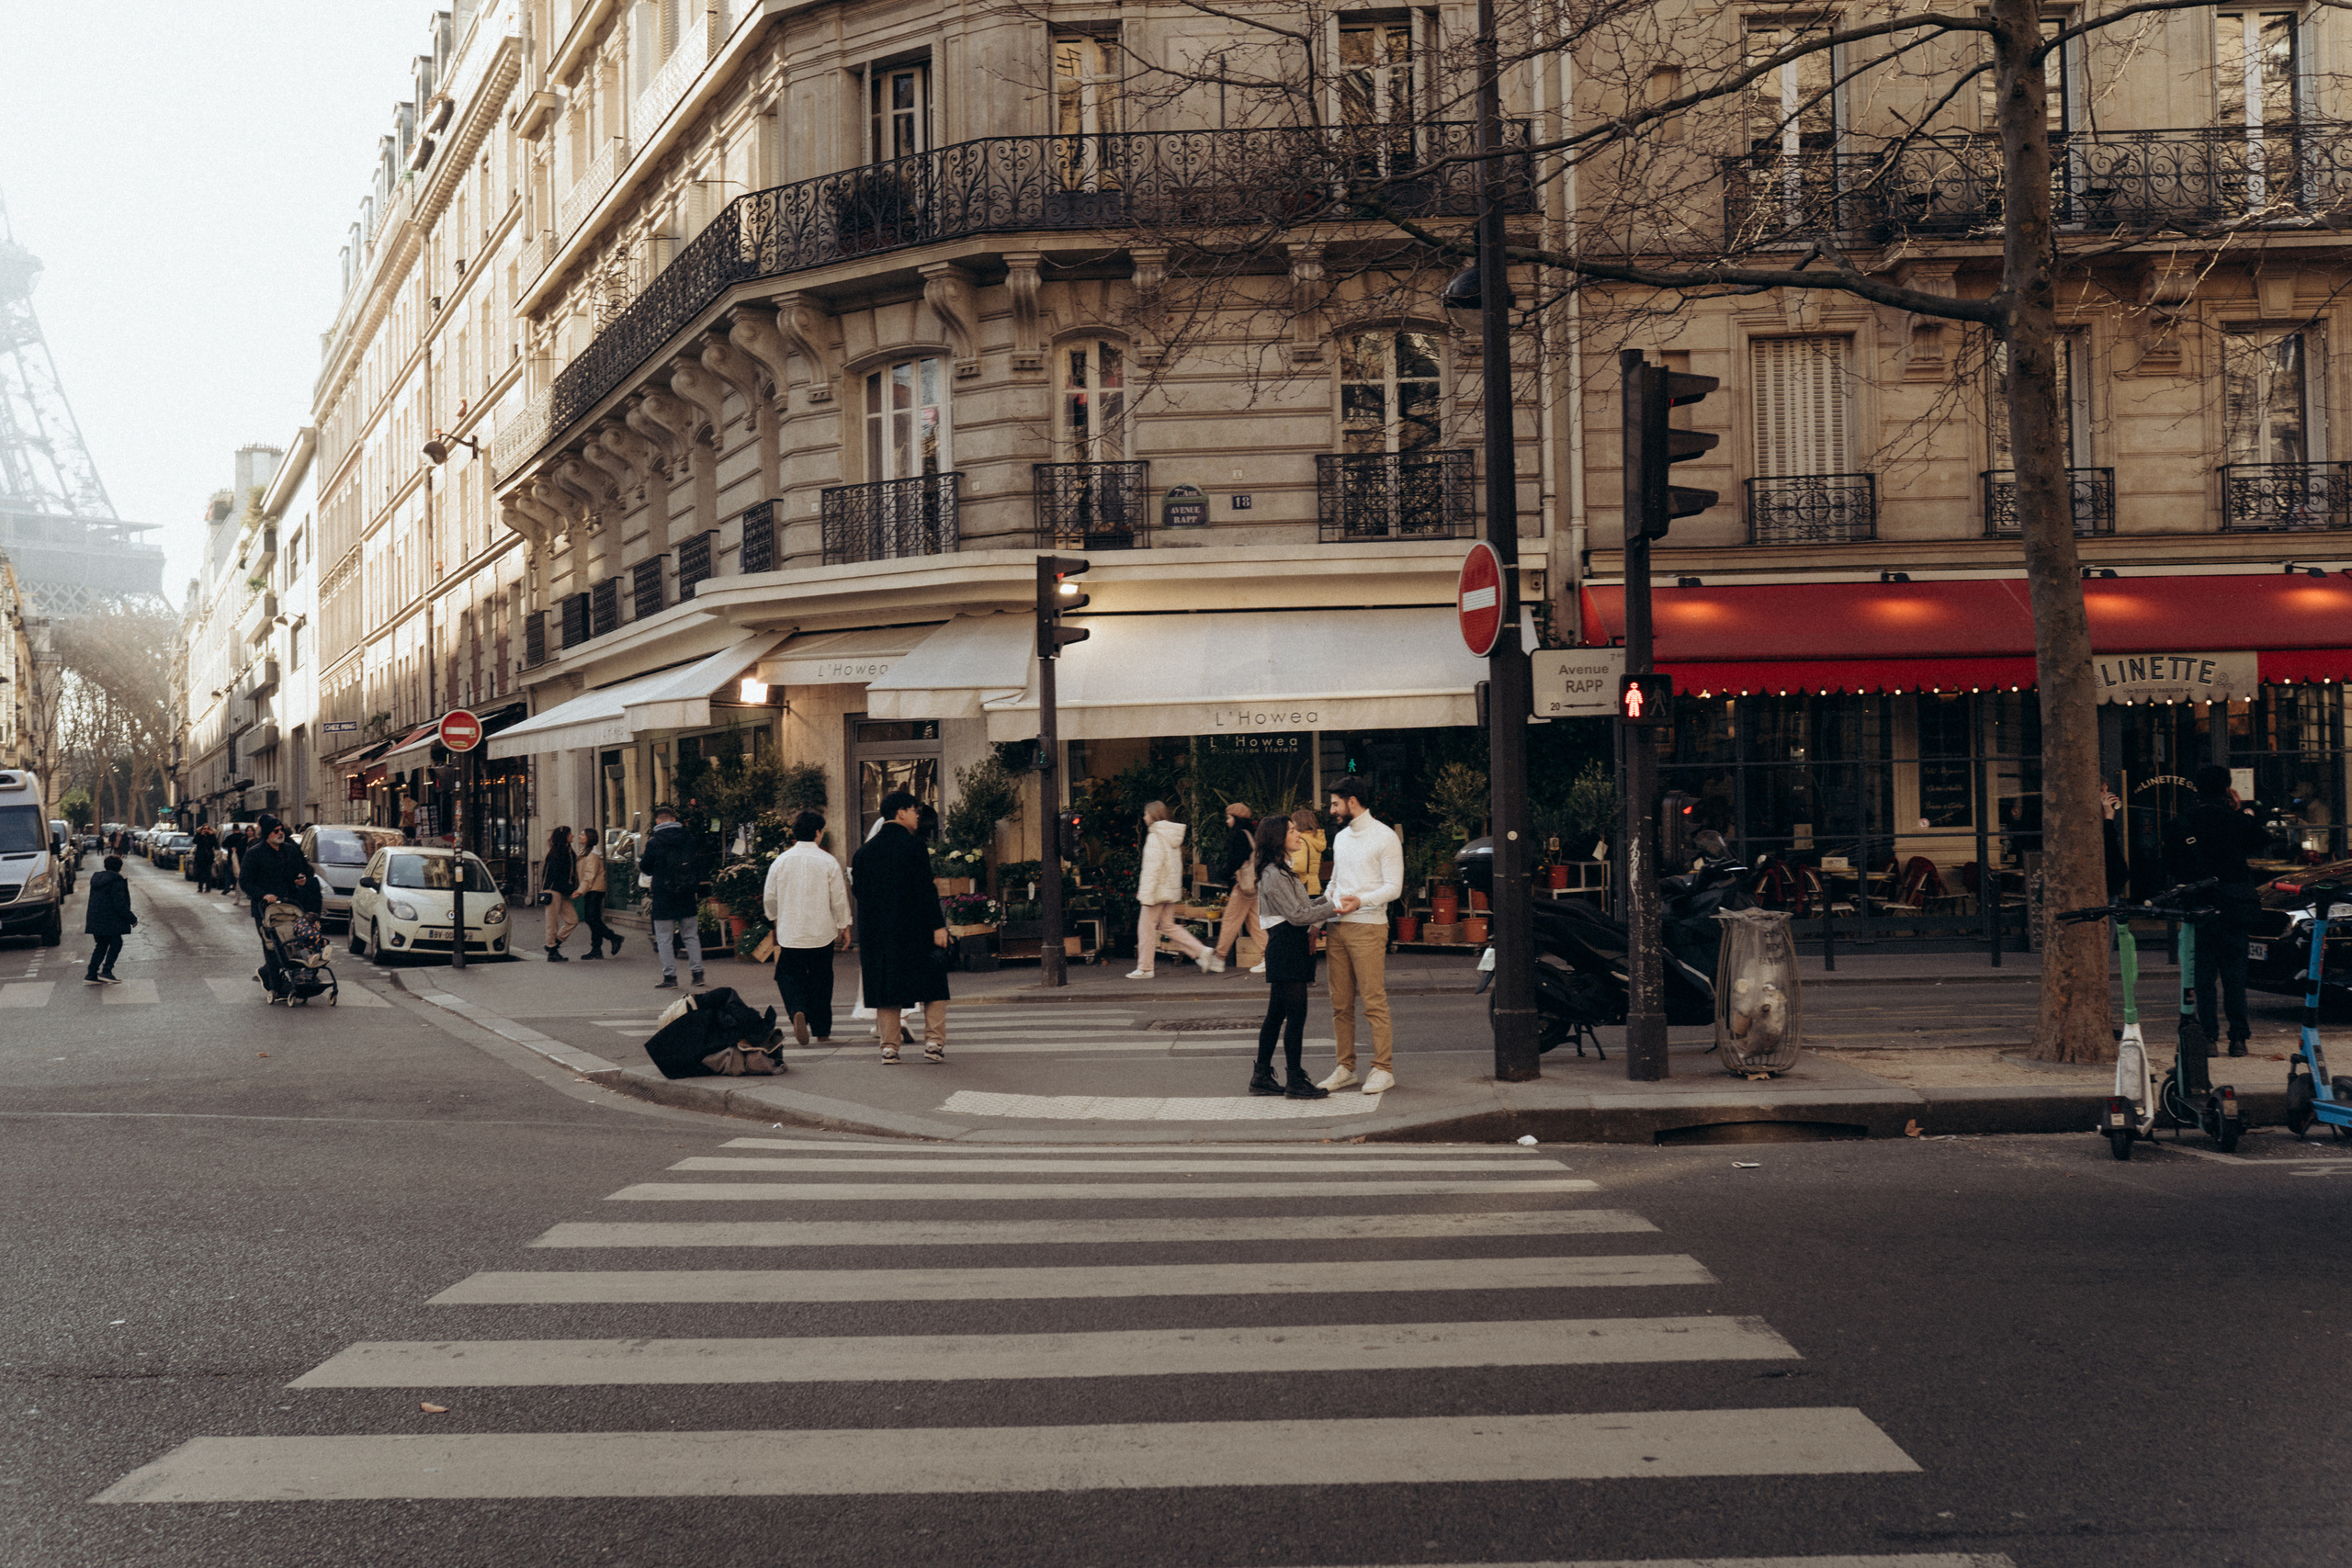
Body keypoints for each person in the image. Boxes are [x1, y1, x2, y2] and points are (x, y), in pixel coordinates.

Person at [2162, 763, 2272, 1058]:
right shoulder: (2235, 821)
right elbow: (2264, 839)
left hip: (2199, 907)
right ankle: (2238, 1038)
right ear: (2227, 789)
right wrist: (2243, 811)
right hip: (2235, 908)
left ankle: (2208, 1036)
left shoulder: (2181, 824)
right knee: (2235, 975)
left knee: (2203, 976)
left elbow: (2171, 866)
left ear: (2197, 789)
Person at [1248, 814, 1359, 1098]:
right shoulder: (1274, 874)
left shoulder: (1281, 870)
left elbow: (1300, 905)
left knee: (1277, 1014)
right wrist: (1333, 907)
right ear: (1278, 839)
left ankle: (1261, 1075)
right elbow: (1297, 915)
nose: (1299, 835)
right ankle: (1295, 1080)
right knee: (1296, 1015)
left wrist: (1326, 899)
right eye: (1293, 831)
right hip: (1286, 946)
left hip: (1288, 944)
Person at [850, 790, 951, 1063]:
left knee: (886, 988)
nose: (918, 814)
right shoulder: (915, 847)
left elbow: (859, 892)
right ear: (901, 812)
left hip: (879, 933)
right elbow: (925, 891)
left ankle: (889, 1047)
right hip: (915, 929)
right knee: (933, 984)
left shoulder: (863, 853)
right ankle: (933, 1042)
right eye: (914, 809)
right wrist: (938, 926)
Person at [1318, 777, 1403, 1094]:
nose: (1332, 810)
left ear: (1352, 801)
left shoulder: (1384, 837)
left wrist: (1360, 901)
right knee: (1339, 1004)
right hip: (1337, 926)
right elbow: (1335, 881)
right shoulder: (1341, 838)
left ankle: (1383, 1068)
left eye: (1335, 803)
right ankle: (1346, 1067)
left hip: (1368, 926)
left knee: (1373, 1000)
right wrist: (1322, 912)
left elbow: (1394, 888)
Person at [764, 810, 851, 1045]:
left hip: (791, 933)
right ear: (817, 833)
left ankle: (797, 1010)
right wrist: (844, 925)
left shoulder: (780, 861)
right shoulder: (828, 861)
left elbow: (770, 897)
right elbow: (839, 898)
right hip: (821, 933)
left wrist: (774, 916)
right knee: (821, 978)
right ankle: (822, 1029)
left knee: (787, 974)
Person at [1128, 800, 1220, 979]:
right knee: (1169, 926)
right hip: (1169, 891)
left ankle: (1146, 968)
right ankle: (1201, 950)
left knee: (1145, 928)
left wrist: (1146, 894)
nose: (1144, 817)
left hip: (1155, 892)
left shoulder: (1155, 836)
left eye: (1146, 814)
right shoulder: (1172, 836)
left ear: (1153, 816)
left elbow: (1152, 869)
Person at [239, 815, 319, 990]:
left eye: (282, 830)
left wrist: (301, 879)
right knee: (271, 945)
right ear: (267, 833)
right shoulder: (254, 853)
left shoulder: (290, 850)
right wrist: (263, 894)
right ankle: (274, 985)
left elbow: (302, 870)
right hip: (266, 908)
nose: (280, 833)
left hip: (290, 905)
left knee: (292, 943)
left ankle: (295, 979)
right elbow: (245, 881)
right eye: (276, 831)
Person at [639, 803, 704, 989]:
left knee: (665, 938)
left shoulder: (654, 842)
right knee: (691, 935)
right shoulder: (688, 838)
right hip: (686, 894)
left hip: (663, 895)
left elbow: (645, 867)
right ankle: (698, 974)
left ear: (658, 821)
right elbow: (697, 863)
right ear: (674, 819)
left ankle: (670, 977)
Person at [1211, 801, 1258, 971]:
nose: (1227, 821)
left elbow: (1235, 861)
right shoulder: (1251, 833)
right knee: (1255, 922)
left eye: (1229, 817)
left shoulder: (1239, 836)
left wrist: (1222, 874)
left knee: (1230, 920)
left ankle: (1219, 958)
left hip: (1243, 886)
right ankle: (1268, 956)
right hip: (1253, 884)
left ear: (1236, 818)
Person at [83, 853, 134, 985]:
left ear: (105, 866)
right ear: (120, 867)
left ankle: (91, 974)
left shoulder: (97, 880)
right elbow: (119, 904)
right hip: (110, 920)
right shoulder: (116, 881)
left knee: (101, 945)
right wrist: (131, 918)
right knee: (116, 943)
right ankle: (107, 971)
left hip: (95, 919)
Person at [575, 831, 622, 959]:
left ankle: (614, 937)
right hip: (592, 889)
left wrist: (580, 890)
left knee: (591, 918)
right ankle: (596, 948)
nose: (580, 836)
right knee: (594, 918)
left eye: (583, 835)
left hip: (595, 889)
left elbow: (590, 875)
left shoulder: (593, 855)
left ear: (589, 838)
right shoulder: (585, 852)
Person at [541, 826, 581, 962]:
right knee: (552, 923)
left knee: (573, 920)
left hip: (563, 890)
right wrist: (571, 890)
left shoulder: (568, 850)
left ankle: (552, 945)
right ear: (564, 836)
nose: (573, 836)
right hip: (554, 891)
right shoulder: (556, 853)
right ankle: (552, 951)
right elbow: (557, 876)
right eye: (570, 834)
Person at [1291, 807, 1327, 896]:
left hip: (1303, 887)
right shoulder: (1315, 840)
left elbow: (1299, 866)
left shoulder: (1301, 842)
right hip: (1314, 886)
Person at [189, 826, 217, 892]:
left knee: (208, 872)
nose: (206, 830)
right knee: (200, 873)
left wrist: (212, 835)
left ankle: (208, 888)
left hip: (208, 857)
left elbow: (215, 844)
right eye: (204, 829)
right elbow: (195, 841)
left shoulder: (211, 836)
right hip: (200, 857)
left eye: (207, 829)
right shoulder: (199, 835)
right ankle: (200, 887)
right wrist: (201, 835)